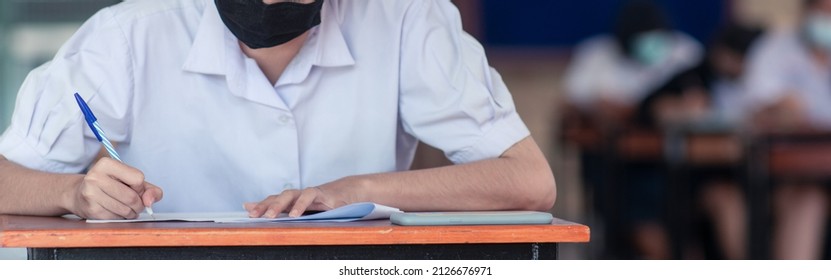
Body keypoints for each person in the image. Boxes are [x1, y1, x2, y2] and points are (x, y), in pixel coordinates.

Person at [0, 0, 556, 220]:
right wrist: (72, 193)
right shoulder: (131, 34)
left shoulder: (404, 18)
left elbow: (530, 181)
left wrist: (356, 190)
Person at [562, 0, 702, 259]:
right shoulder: (596, 56)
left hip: (676, 160)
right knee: (635, 204)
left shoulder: (685, 52)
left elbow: (703, 101)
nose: (650, 46)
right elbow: (571, 106)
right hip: (616, 163)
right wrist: (605, 109)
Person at [742, 0, 831, 259]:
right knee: (807, 201)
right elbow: (756, 111)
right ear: (806, 11)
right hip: (792, 170)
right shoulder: (775, 49)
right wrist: (776, 109)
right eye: (823, 11)